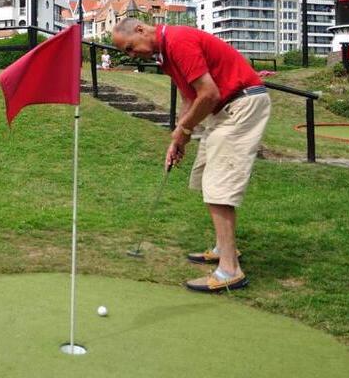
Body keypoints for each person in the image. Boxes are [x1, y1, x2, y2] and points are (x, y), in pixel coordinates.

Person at [112, 18, 271, 293]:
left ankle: (230, 270)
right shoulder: (166, 55)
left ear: (140, 30)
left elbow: (209, 94)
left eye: (129, 47)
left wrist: (185, 130)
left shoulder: (178, 41)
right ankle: (223, 248)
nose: (131, 54)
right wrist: (177, 138)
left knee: (219, 184)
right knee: (206, 177)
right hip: (224, 110)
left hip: (241, 104)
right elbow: (190, 98)